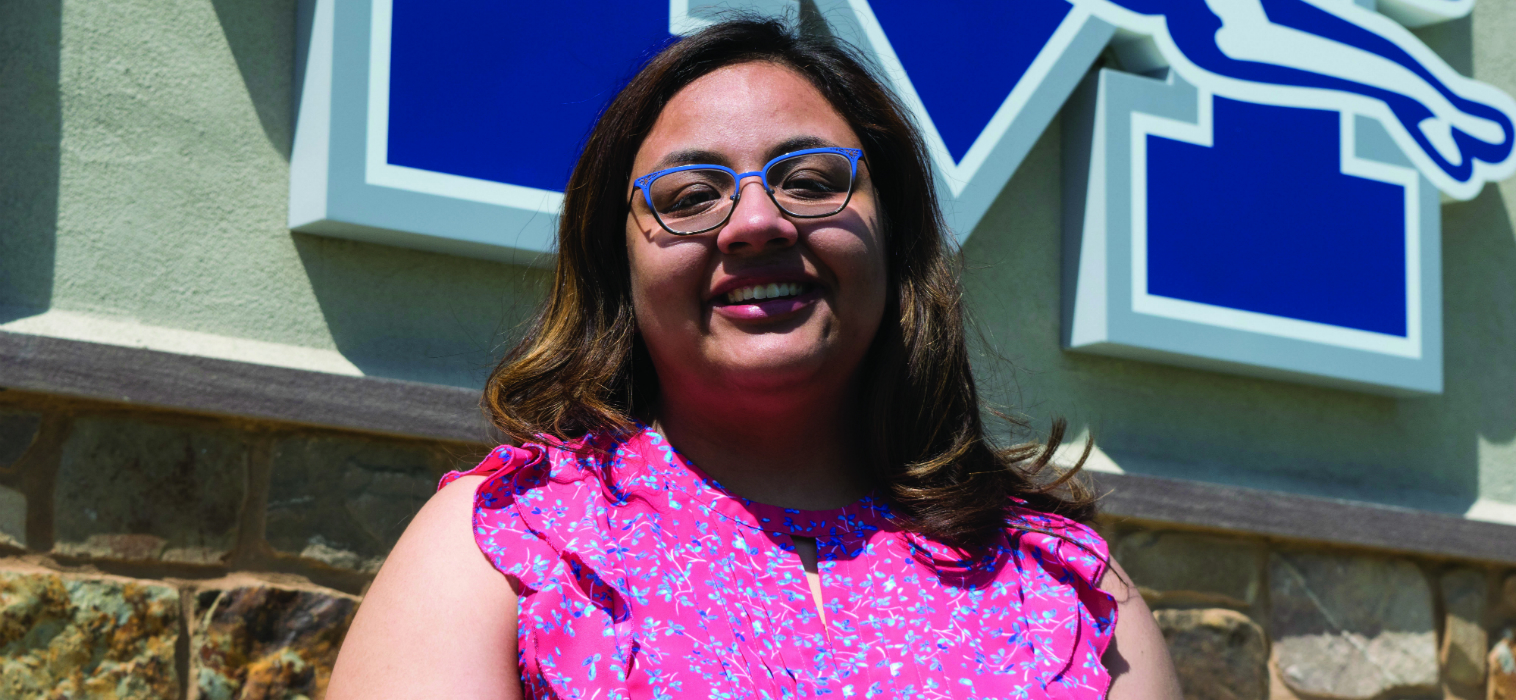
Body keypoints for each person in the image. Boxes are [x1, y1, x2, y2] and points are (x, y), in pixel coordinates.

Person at [327, 18, 1181, 699]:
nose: (756, 222)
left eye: (810, 181)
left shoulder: (1061, 587)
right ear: (619, 267)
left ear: (897, 236)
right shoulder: (506, 545)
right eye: (691, 196)